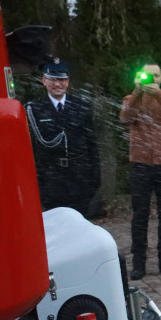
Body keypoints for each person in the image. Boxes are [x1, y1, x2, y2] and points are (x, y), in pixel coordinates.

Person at [119, 61, 161, 279]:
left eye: (156, 76)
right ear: (139, 78)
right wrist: (138, 92)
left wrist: (160, 95)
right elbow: (125, 117)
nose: (152, 80)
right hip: (140, 165)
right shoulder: (131, 99)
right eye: (147, 76)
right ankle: (139, 263)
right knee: (140, 216)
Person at [24, 59, 102, 217]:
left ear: (68, 82)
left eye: (62, 80)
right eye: (52, 79)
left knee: (81, 221)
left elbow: (91, 143)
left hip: (79, 175)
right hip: (50, 176)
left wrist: (95, 176)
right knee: (57, 221)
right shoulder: (33, 109)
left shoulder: (81, 106)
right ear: (44, 81)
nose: (57, 84)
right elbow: (30, 147)